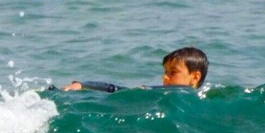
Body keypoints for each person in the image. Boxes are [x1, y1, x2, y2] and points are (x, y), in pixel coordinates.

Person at [62, 47, 209, 91]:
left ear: (195, 77)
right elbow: (118, 89)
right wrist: (83, 84)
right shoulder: (158, 93)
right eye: (165, 72)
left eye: (173, 72)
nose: (165, 77)